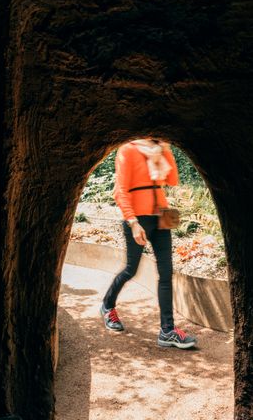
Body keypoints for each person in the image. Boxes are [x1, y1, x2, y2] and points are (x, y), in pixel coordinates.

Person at [100, 138, 197, 349]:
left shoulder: (159, 149)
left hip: (161, 216)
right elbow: (120, 191)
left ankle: (167, 331)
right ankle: (107, 305)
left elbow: (172, 180)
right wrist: (133, 222)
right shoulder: (128, 149)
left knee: (166, 272)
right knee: (131, 269)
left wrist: (165, 149)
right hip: (138, 219)